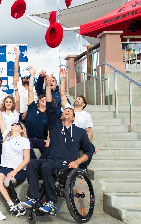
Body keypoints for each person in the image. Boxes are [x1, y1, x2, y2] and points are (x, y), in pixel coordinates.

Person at [22, 73, 95, 216]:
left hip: (67, 164)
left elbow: (89, 151)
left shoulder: (80, 132)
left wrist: (77, 162)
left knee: (46, 166)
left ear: (74, 117)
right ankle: (33, 198)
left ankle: (51, 202)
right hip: (52, 160)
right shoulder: (55, 125)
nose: (67, 111)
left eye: (70, 111)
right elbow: (49, 105)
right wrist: (48, 87)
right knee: (32, 163)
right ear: (61, 115)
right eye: (65, 111)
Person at [0, 96, 30, 217]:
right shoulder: (6, 136)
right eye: (13, 124)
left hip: (18, 170)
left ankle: (18, 202)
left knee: (7, 182)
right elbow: (0, 119)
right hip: (4, 168)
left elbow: (27, 159)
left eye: (17, 124)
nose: (14, 124)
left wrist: (15, 171)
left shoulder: (24, 140)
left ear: (21, 130)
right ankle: (11, 205)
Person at [60, 68, 96, 169]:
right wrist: (63, 79)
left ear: (83, 104)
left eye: (79, 99)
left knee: (91, 149)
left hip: (79, 138)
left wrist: (89, 144)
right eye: (76, 98)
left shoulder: (86, 115)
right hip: (67, 136)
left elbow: (89, 131)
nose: (76, 99)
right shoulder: (68, 109)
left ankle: (82, 168)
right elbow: (62, 94)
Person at [25, 67, 50, 160]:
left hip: (41, 140)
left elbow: (49, 130)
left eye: (46, 99)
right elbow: (30, 90)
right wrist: (32, 75)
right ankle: (34, 165)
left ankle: (39, 165)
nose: (43, 99)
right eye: (42, 98)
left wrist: (48, 139)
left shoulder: (48, 115)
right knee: (26, 146)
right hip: (28, 139)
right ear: (38, 101)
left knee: (51, 148)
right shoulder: (32, 107)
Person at [12, 47, 37, 116]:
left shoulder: (35, 90)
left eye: (27, 77)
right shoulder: (18, 86)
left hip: (31, 115)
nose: (26, 78)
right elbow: (16, 71)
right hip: (18, 114)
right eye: (24, 77)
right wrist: (17, 56)